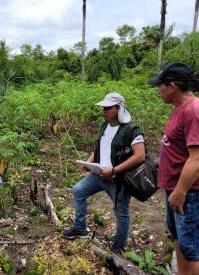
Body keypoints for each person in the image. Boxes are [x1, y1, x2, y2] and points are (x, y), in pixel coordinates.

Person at [63, 92, 145, 254]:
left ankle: (118, 247)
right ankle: (80, 227)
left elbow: (140, 156)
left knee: (121, 211)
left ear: (119, 108)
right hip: (99, 174)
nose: (104, 111)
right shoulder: (105, 125)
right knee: (78, 190)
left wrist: (114, 170)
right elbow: (101, 147)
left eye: (108, 108)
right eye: (103, 108)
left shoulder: (132, 130)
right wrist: (89, 161)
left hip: (118, 179)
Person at [148, 62, 199, 274]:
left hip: (189, 193)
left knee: (191, 248)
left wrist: (180, 192)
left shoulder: (194, 112)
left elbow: (196, 159)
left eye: (160, 85)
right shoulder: (179, 109)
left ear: (172, 86)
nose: (158, 90)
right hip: (173, 190)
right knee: (179, 239)